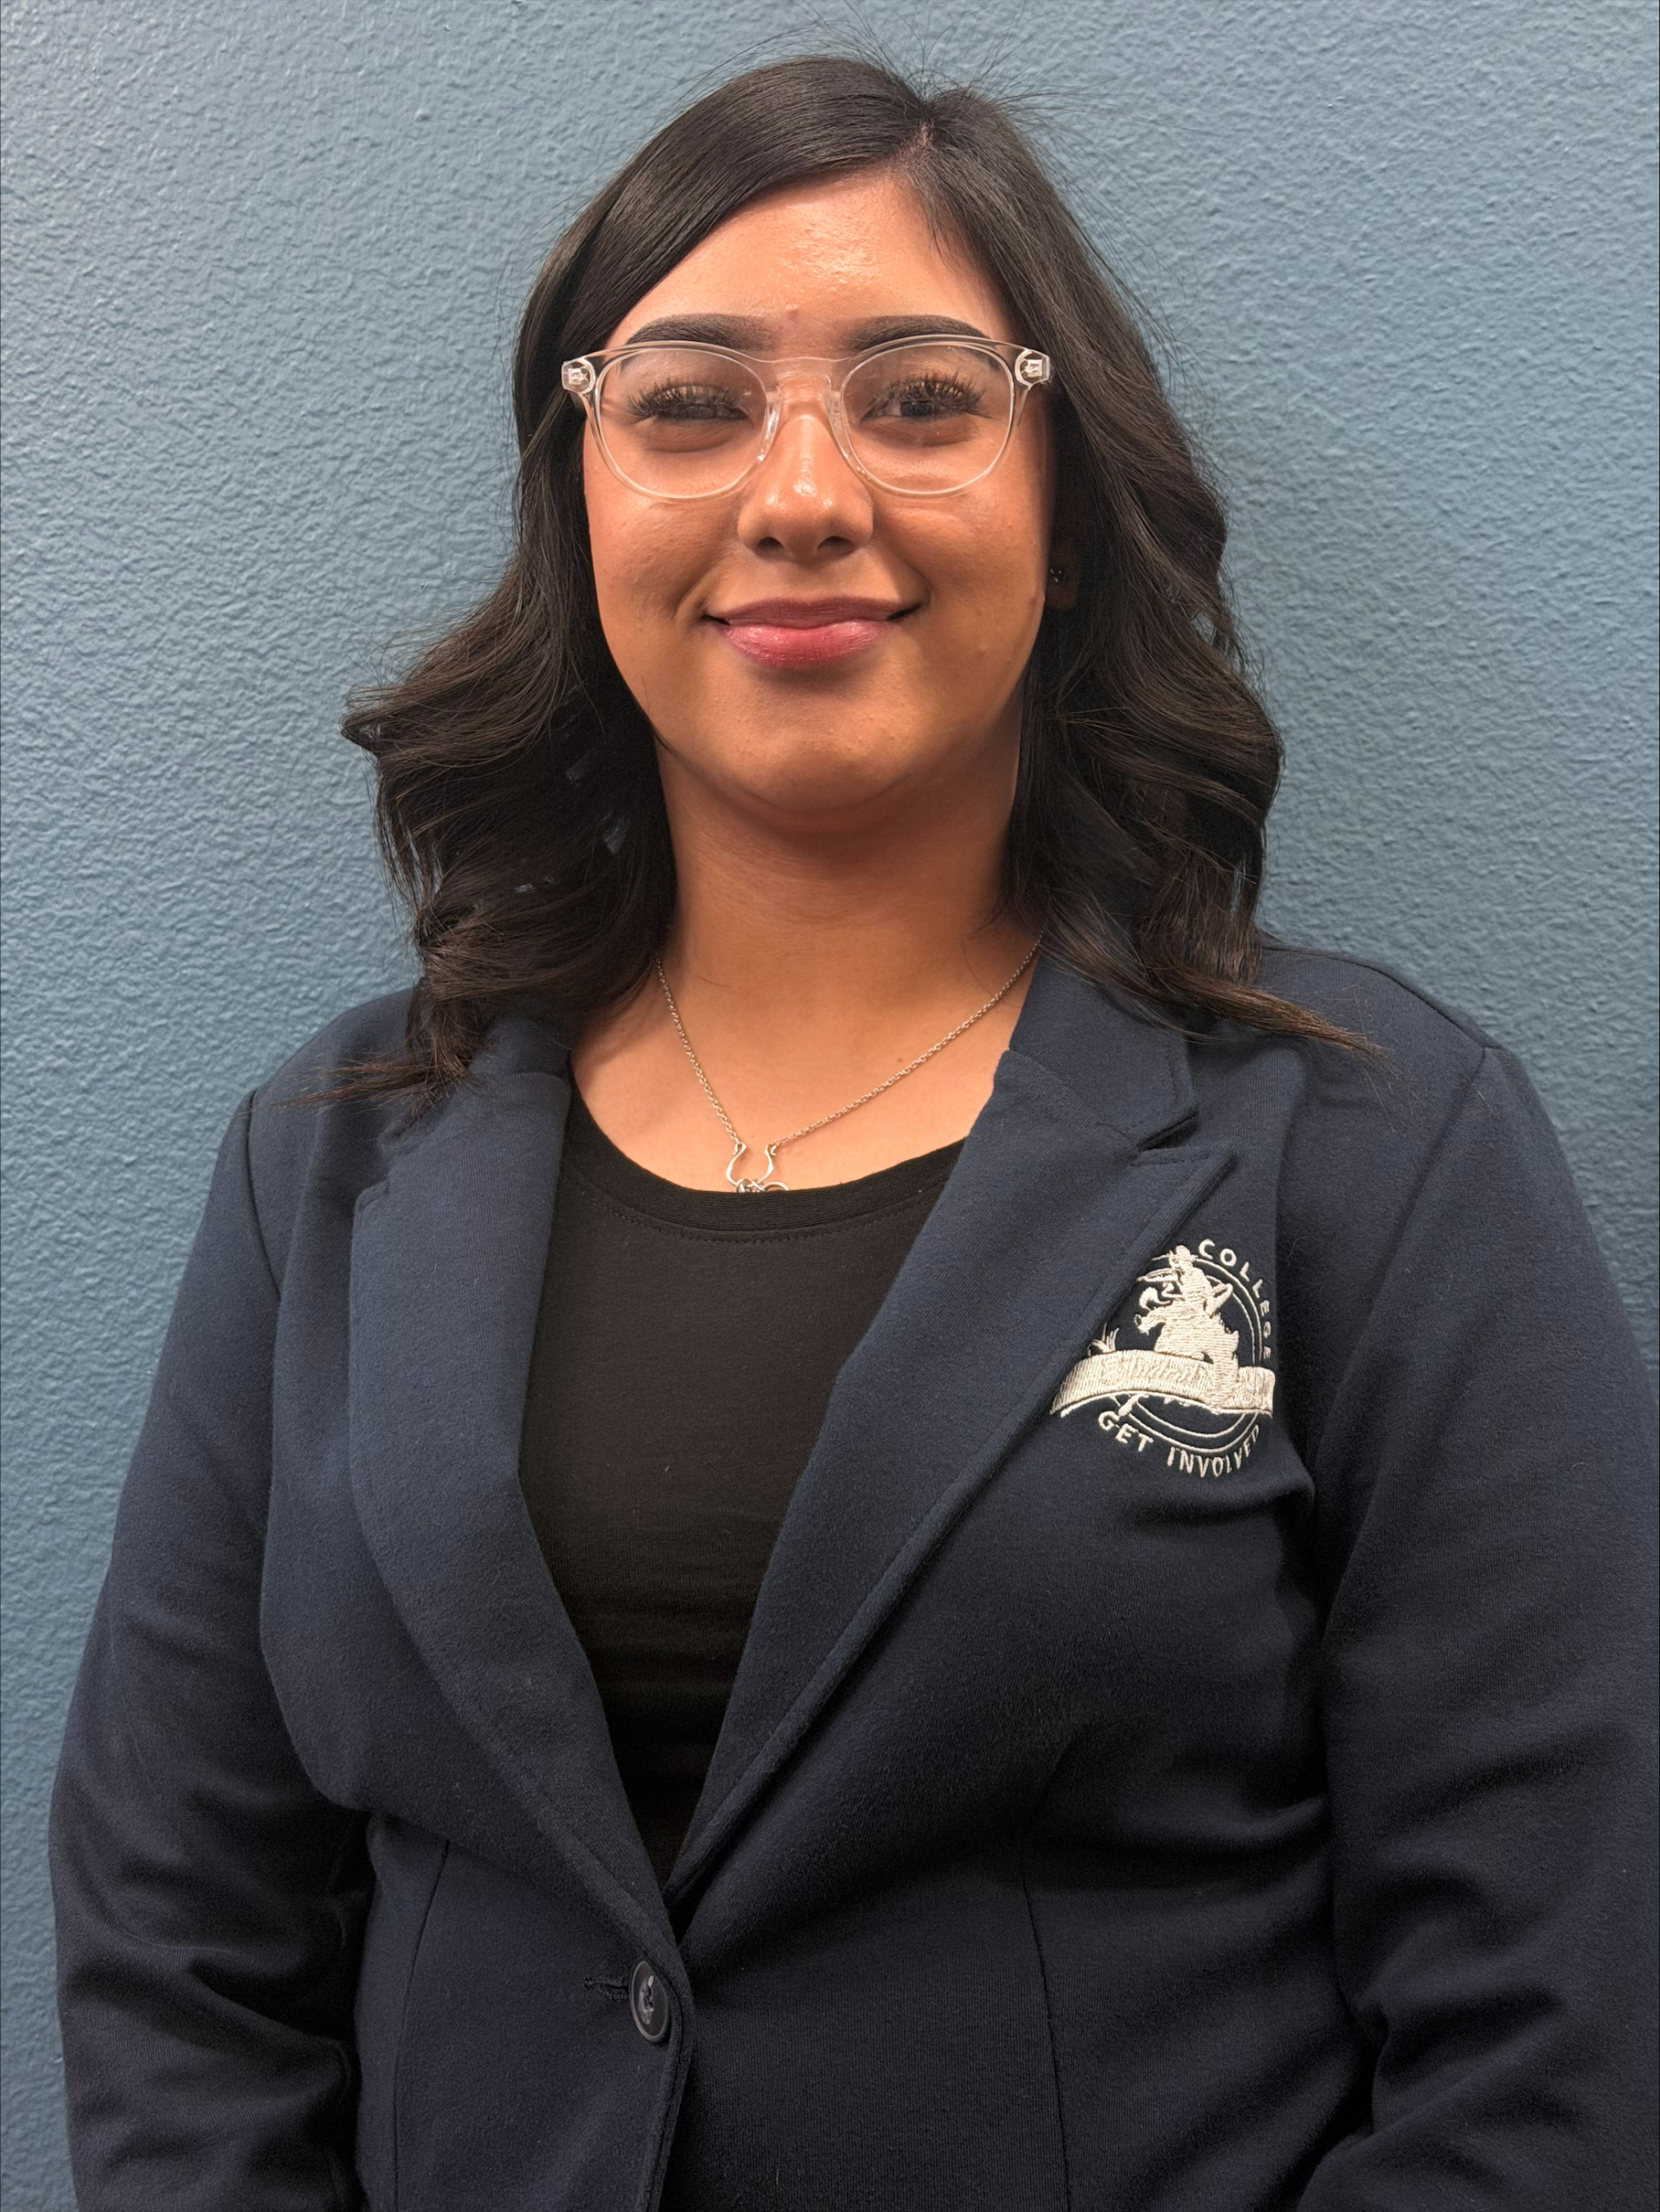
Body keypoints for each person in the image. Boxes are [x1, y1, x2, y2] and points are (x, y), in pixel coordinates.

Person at [49, 53, 1656, 2212]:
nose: (799, 492)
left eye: (917, 398)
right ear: (583, 497)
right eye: (689, 404)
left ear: (1063, 504)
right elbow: (182, 1944)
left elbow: (1552, 2021)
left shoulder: (1368, 1147)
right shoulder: (328, 1164)